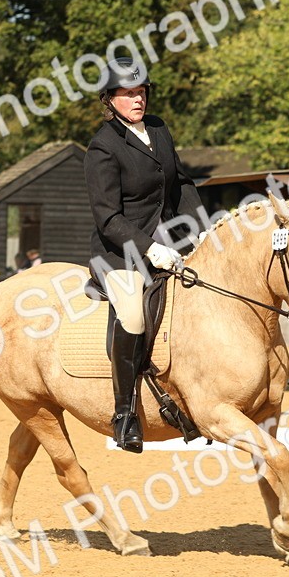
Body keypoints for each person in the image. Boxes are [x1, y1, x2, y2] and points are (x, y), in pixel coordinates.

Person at [84, 57, 203, 453]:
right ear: (110, 100)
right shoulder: (102, 147)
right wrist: (150, 248)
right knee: (133, 313)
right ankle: (125, 414)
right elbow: (108, 217)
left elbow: (182, 184)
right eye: (127, 94)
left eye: (140, 92)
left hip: (170, 241)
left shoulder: (159, 129)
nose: (136, 99)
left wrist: (198, 230)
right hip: (120, 253)